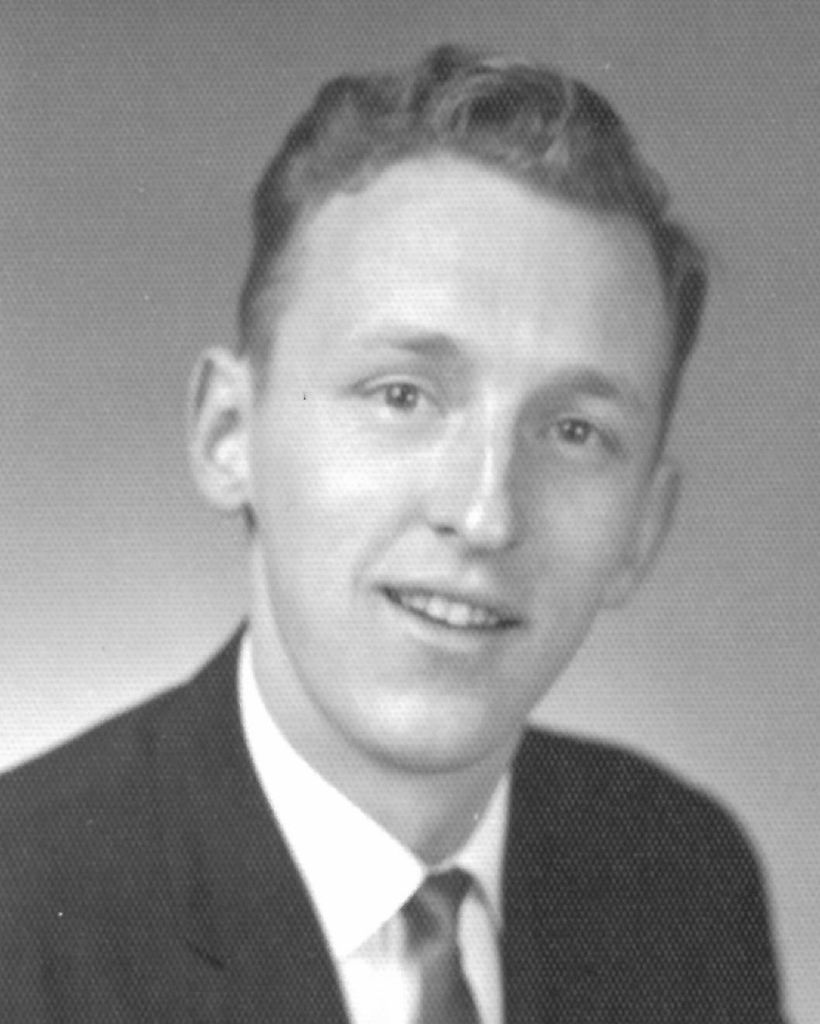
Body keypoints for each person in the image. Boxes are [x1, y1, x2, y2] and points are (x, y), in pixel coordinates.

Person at [0, 44, 786, 1023]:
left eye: (574, 432)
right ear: (228, 434)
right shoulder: (21, 921)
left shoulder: (681, 879)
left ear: (642, 528)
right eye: (403, 394)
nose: (486, 514)